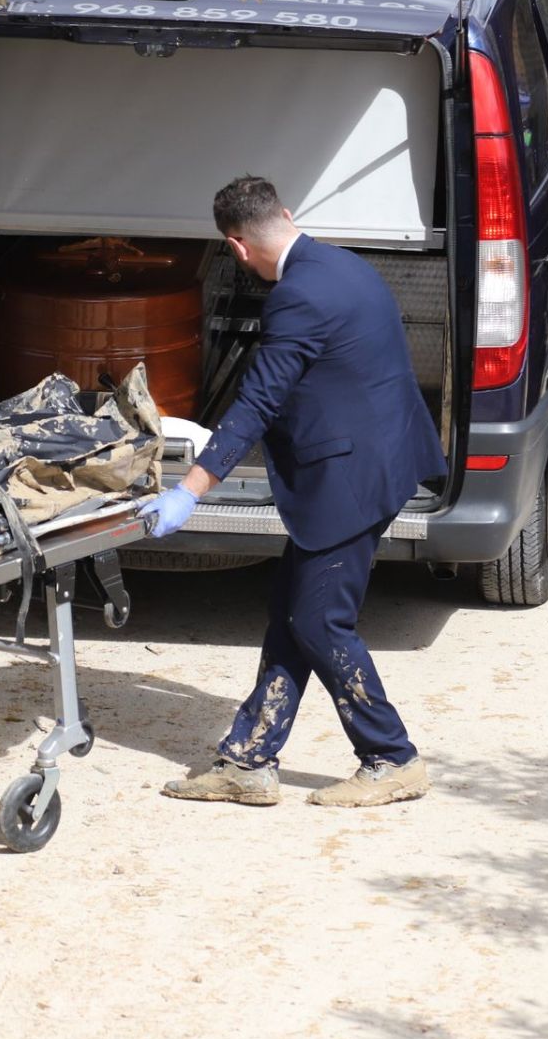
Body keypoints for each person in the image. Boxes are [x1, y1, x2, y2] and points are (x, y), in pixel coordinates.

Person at [140, 176, 447, 809]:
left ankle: (391, 756)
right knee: (292, 612)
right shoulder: (344, 266)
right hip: (382, 457)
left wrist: (191, 490)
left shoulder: (296, 298)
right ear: (284, 213)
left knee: (317, 619)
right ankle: (249, 759)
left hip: (350, 479)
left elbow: (257, 401)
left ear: (236, 245)